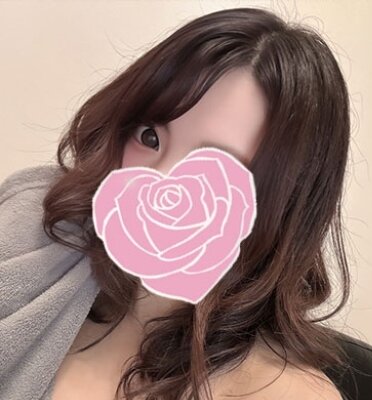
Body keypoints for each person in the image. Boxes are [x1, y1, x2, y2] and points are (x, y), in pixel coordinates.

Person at [0, 6, 351, 400]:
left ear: (284, 207)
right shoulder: (35, 237)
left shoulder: (284, 391)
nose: (158, 182)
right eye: (149, 137)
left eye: (214, 168)